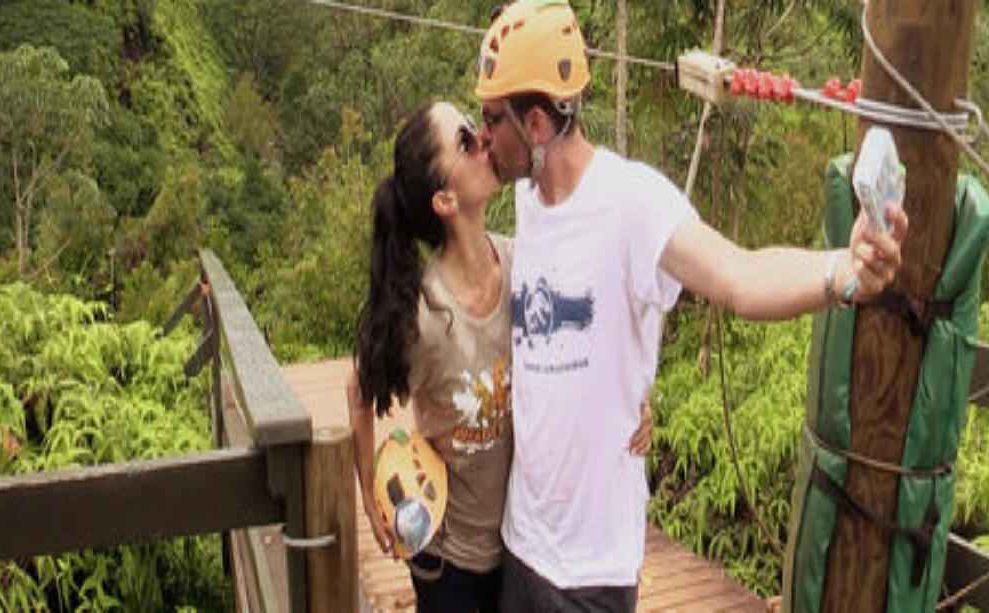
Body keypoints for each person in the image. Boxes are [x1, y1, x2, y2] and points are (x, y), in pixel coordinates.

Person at [472, 1, 910, 611]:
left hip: (591, 569)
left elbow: (740, 274)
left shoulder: (633, 202)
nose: (483, 135)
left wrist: (843, 270)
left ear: (538, 123)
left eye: (493, 119)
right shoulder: (527, 203)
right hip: (522, 542)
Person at [345, 101, 653, 613]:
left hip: (520, 550)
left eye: (475, 123)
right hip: (449, 564)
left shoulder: (521, 264)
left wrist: (633, 399)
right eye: (464, 140)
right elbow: (359, 390)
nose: (484, 138)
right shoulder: (424, 317)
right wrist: (370, 499)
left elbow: (581, 346)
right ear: (444, 199)